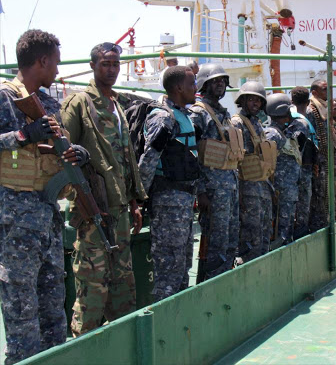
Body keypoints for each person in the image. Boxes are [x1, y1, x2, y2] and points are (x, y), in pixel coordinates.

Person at [0, 30, 87, 364]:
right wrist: (22, 135)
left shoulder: (49, 103)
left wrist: (75, 153)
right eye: (55, 63)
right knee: (21, 307)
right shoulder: (5, 97)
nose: (57, 70)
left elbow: (55, 148)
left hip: (48, 214)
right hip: (16, 218)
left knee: (53, 304)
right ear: (42, 61)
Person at [61, 42, 146, 336]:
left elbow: (125, 157)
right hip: (94, 208)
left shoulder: (118, 105)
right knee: (93, 286)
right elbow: (61, 153)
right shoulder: (80, 103)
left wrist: (134, 202)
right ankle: (82, 345)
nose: (111, 70)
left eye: (115, 64)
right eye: (105, 64)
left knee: (123, 285)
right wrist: (78, 196)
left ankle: (121, 344)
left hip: (120, 209)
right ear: (93, 66)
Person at [138, 66, 198, 301]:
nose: (196, 88)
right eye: (192, 83)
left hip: (183, 202)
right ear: (178, 87)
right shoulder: (163, 118)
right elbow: (149, 160)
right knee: (168, 270)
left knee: (182, 267)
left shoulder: (183, 115)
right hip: (168, 204)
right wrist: (141, 198)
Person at [189, 64, 243, 280]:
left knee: (230, 240)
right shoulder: (198, 113)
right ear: (204, 84)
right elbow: (192, 154)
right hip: (212, 191)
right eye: (215, 81)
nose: (220, 84)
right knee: (215, 243)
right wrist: (200, 191)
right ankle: (211, 285)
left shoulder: (224, 114)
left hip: (229, 187)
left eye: (223, 80)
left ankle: (224, 282)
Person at [231, 81, 273, 261]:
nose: (255, 104)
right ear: (243, 100)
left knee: (264, 231)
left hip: (262, 186)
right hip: (247, 188)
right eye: (251, 100)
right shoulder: (237, 123)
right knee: (251, 234)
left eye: (259, 101)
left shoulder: (257, 123)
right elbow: (234, 159)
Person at [264, 93, 302, 248]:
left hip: (289, 191)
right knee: (280, 231)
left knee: (287, 229)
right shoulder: (272, 134)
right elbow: (266, 164)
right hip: (281, 191)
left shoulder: (284, 133)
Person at [290, 86, 316, 238]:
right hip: (303, 170)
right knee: (302, 207)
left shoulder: (288, 117)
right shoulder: (303, 122)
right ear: (308, 102)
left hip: (292, 172)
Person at [306, 80, 329, 231]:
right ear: (314, 92)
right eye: (324, 89)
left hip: (323, 161)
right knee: (317, 196)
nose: (327, 92)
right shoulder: (311, 110)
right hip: (317, 163)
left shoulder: (323, 109)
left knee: (324, 195)